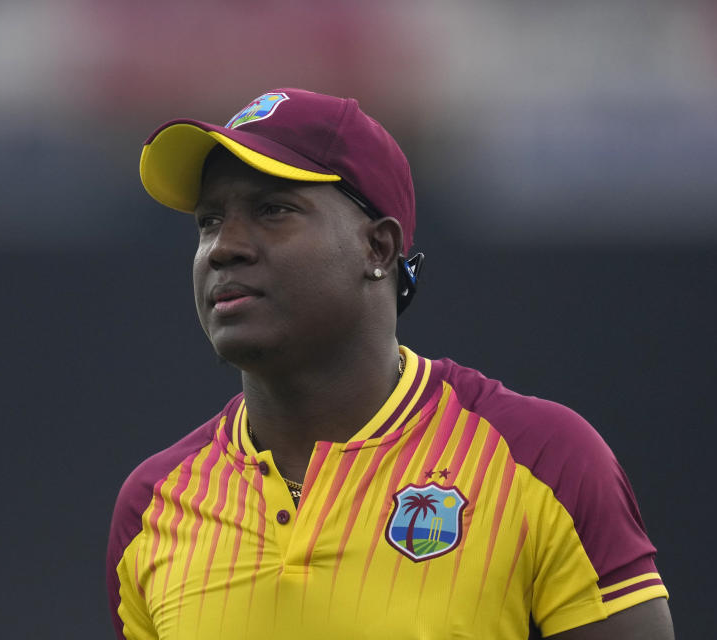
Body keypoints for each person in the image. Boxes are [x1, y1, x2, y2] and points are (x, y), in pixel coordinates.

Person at [106, 89, 674, 639]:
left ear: (378, 248)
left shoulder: (543, 458)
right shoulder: (152, 504)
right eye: (208, 221)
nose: (224, 247)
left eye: (272, 209)